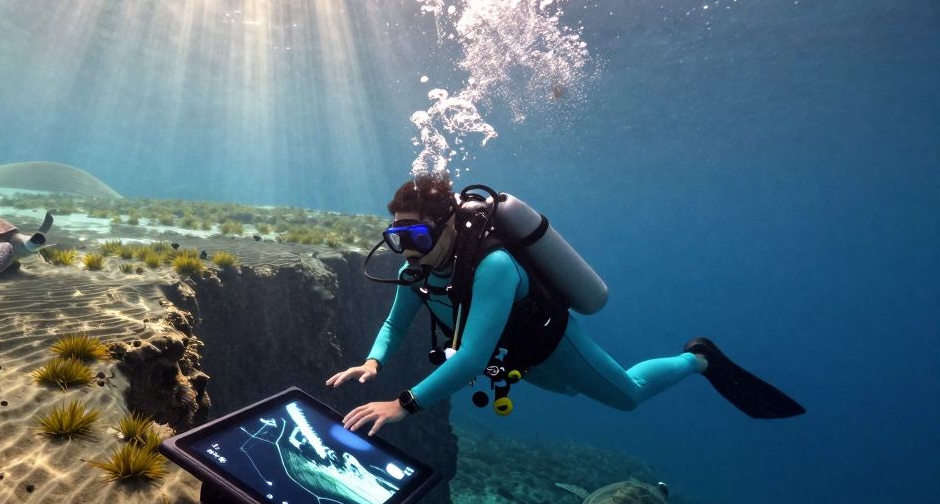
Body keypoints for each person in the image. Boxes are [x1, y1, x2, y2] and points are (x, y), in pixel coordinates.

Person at [327, 174, 803, 436]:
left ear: (447, 224)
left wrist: (403, 404)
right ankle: (682, 362)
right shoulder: (417, 269)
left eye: (415, 234)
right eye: (396, 237)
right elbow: (396, 322)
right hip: (514, 359)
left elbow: (470, 358)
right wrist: (373, 362)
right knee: (574, 393)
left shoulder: (492, 267)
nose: (405, 249)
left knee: (628, 395)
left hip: (550, 344)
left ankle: (698, 358)